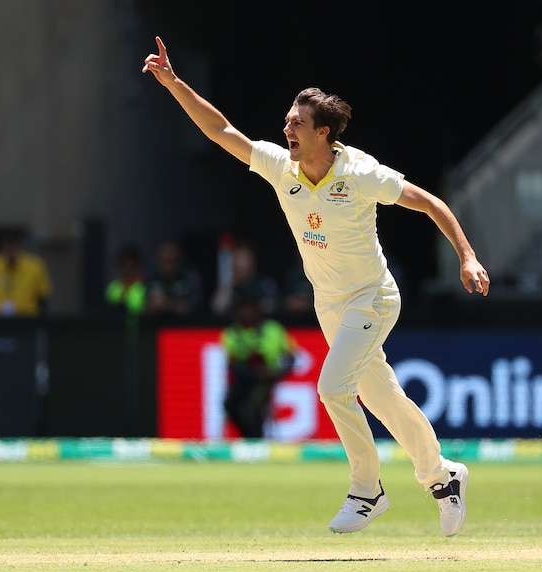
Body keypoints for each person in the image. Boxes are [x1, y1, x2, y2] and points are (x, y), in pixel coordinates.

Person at [142, 36, 490, 537]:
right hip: (330, 304)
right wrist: (174, 83)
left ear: (323, 133)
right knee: (384, 398)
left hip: (373, 297)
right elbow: (221, 130)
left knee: (331, 387)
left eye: (296, 123)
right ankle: (443, 476)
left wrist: (468, 256)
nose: (286, 128)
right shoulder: (282, 169)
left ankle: (366, 489)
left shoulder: (362, 173)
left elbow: (432, 203)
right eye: (287, 121)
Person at [222, 284, 297, 439]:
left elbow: (290, 359)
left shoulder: (274, 330)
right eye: (241, 308)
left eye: (249, 307)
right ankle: (248, 437)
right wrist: (254, 372)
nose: (245, 312)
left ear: (257, 308)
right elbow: (233, 365)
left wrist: (276, 372)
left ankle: (256, 439)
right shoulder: (231, 334)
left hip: (267, 380)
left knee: (251, 407)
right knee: (229, 404)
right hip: (244, 379)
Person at [211, 240, 280, 318]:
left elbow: (274, 305)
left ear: (253, 262)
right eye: (237, 258)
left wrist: (251, 308)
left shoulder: (264, 282)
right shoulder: (229, 284)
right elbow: (217, 308)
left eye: (245, 259)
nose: (240, 263)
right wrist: (227, 286)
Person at [0, 228, 53, 317]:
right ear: (2, 246)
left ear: (19, 245)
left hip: (27, 321)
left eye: (13, 245)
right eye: (7, 245)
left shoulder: (35, 266)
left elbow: (43, 299)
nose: (11, 249)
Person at [144, 239, 204, 319]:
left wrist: (168, 304)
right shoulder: (150, 276)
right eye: (163, 260)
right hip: (155, 327)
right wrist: (153, 305)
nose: (167, 255)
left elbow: (196, 307)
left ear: (179, 259)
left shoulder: (189, 275)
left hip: (185, 327)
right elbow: (141, 308)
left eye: (171, 260)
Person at [104, 243, 146, 318]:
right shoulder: (113, 287)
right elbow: (110, 305)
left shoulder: (143, 287)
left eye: (130, 264)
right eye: (123, 264)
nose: (127, 268)